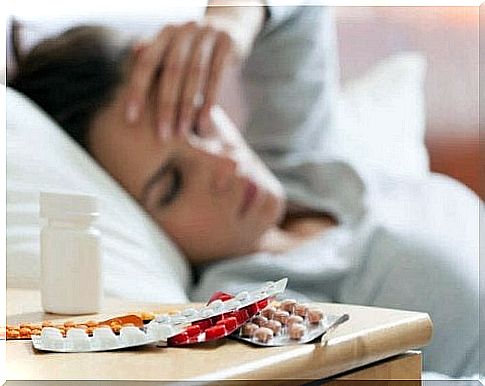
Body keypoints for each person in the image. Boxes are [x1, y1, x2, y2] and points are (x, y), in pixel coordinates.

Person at [8, 5, 482, 380]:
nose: (222, 163)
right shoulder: (255, 313)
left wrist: (229, 21)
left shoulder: (302, 165)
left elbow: (302, 12)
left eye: (197, 119)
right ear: (137, 218)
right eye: (171, 184)